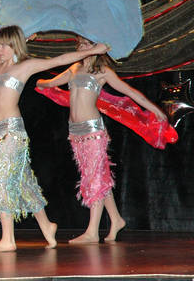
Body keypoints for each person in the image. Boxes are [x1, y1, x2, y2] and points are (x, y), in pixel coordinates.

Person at [0, 25, 108, 252]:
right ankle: (47, 226)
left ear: (14, 46)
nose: (0, 49)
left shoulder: (24, 66)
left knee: (3, 180)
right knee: (24, 183)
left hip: (12, 132)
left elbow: (59, 60)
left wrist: (92, 51)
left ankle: (8, 240)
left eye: (5, 45)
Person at [36, 36, 166, 243]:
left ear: (97, 47)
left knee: (94, 178)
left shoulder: (103, 72)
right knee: (98, 176)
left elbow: (131, 92)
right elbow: (51, 82)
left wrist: (155, 110)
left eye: (88, 43)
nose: (83, 47)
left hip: (93, 130)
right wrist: (40, 82)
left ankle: (92, 232)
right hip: (75, 132)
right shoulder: (75, 68)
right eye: (81, 44)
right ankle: (116, 219)